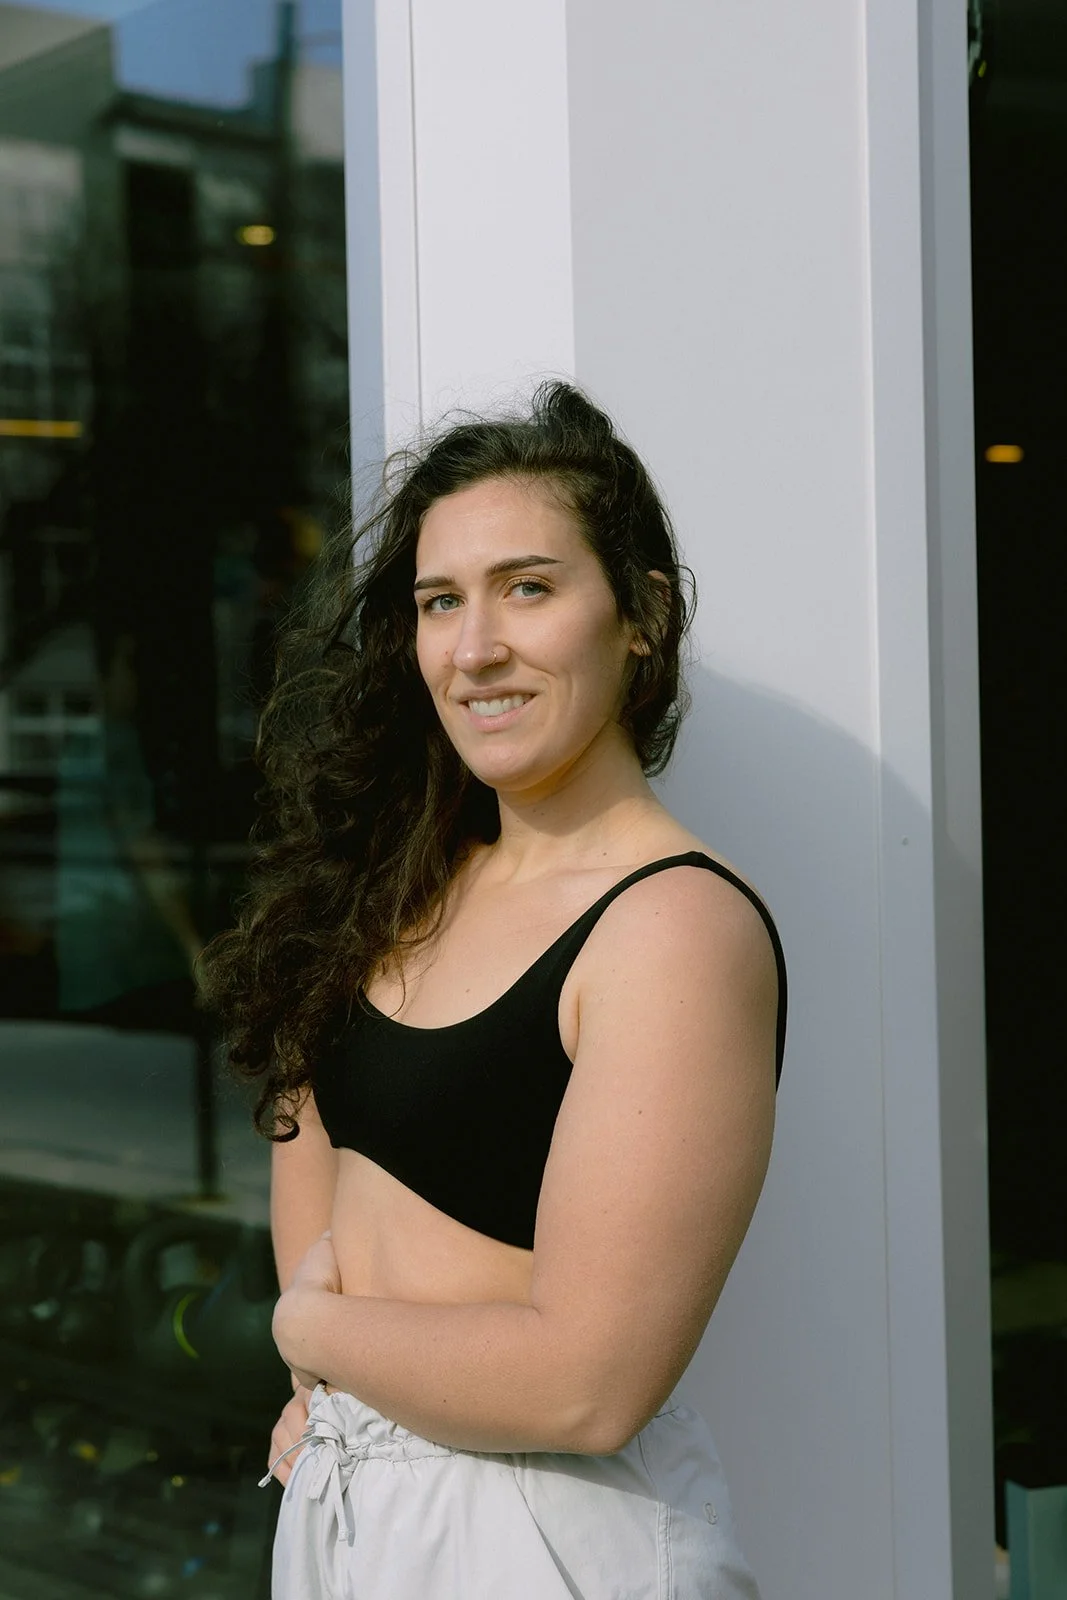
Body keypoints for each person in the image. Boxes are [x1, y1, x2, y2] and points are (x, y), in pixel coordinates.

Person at [198, 381, 787, 1598]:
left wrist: (309, 1334)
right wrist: (329, 1393)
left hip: (539, 1532)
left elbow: (585, 1383)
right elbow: (313, 1158)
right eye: (438, 601)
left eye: (527, 586)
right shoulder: (402, 882)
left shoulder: (670, 925)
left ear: (640, 616)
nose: (473, 648)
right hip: (346, 1496)